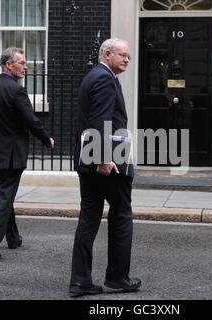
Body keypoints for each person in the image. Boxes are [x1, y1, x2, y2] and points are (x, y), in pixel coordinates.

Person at [69, 38, 141, 297]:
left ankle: (80, 282)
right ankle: (118, 277)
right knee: (121, 215)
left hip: (90, 160)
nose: (126, 60)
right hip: (107, 162)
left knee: (88, 218)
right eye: (122, 55)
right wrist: (102, 158)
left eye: (129, 57)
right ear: (107, 54)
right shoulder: (104, 78)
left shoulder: (95, 75)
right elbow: (101, 119)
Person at [0, 47, 54, 260]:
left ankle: (13, 237)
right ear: (8, 65)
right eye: (22, 63)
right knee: (6, 197)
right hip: (12, 155)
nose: (26, 67)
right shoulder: (16, 90)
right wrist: (47, 139)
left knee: (4, 195)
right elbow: (31, 120)